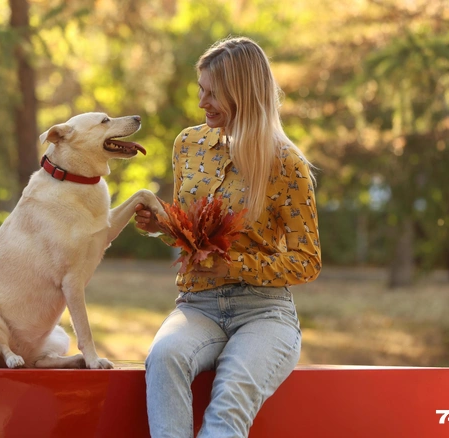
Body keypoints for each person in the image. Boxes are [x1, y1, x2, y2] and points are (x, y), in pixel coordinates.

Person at [134, 36, 322, 438]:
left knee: (229, 401)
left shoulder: (287, 165)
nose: (202, 103)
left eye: (213, 93)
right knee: (164, 357)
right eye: (201, 90)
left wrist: (235, 264)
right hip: (197, 306)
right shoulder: (188, 145)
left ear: (243, 94)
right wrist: (163, 225)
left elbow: (307, 261)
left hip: (264, 313)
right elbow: (193, 234)